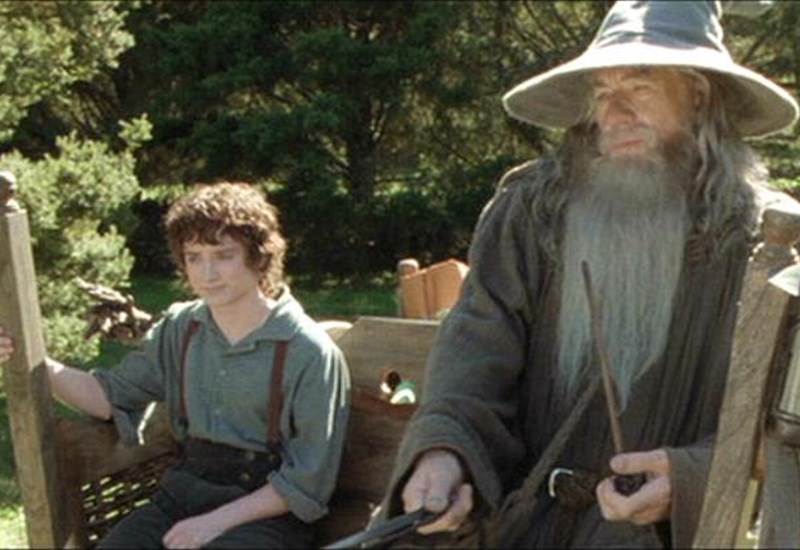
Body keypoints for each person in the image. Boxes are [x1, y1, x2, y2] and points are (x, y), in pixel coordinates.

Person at [379, 1, 799, 548]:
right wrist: (444, 453)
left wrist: (690, 474)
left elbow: (784, 431)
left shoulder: (769, 247)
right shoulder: (532, 214)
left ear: (699, 97)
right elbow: (475, 355)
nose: (616, 114)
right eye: (602, 93)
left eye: (640, 88)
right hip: (521, 528)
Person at [0, 182, 351, 548]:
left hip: (266, 515)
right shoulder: (183, 328)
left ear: (258, 256)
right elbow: (109, 396)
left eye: (224, 255)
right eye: (194, 257)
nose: (208, 273)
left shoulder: (308, 352)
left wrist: (212, 524)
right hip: (182, 496)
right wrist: (30, 358)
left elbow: (306, 482)